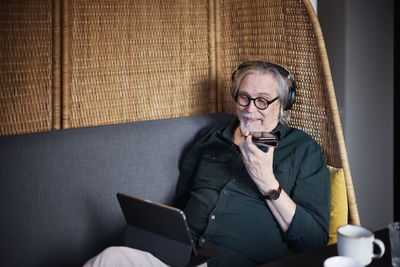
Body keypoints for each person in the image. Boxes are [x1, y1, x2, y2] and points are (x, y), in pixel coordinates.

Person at [84, 61, 330, 267]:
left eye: (262, 100)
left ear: (283, 104)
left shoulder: (302, 150)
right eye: (244, 97)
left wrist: (267, 182)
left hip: (234, 263)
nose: (250, 108)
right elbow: (181, 203)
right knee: (110, 258)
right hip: (180, 257)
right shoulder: (210, 139)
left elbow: (315, 241)